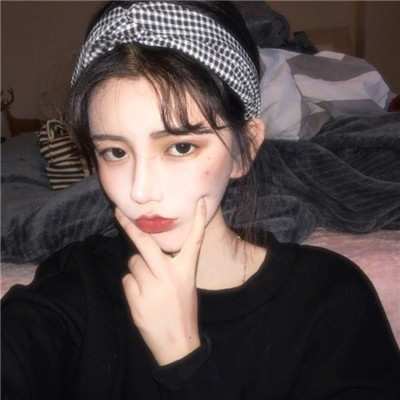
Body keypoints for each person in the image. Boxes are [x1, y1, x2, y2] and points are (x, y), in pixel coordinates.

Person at [2, 1, 400, 399]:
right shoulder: (76, 281)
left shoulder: (330, 297)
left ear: (245, 149)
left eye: (180, 147)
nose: (140, 191)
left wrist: (184, 361)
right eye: (116, 152)